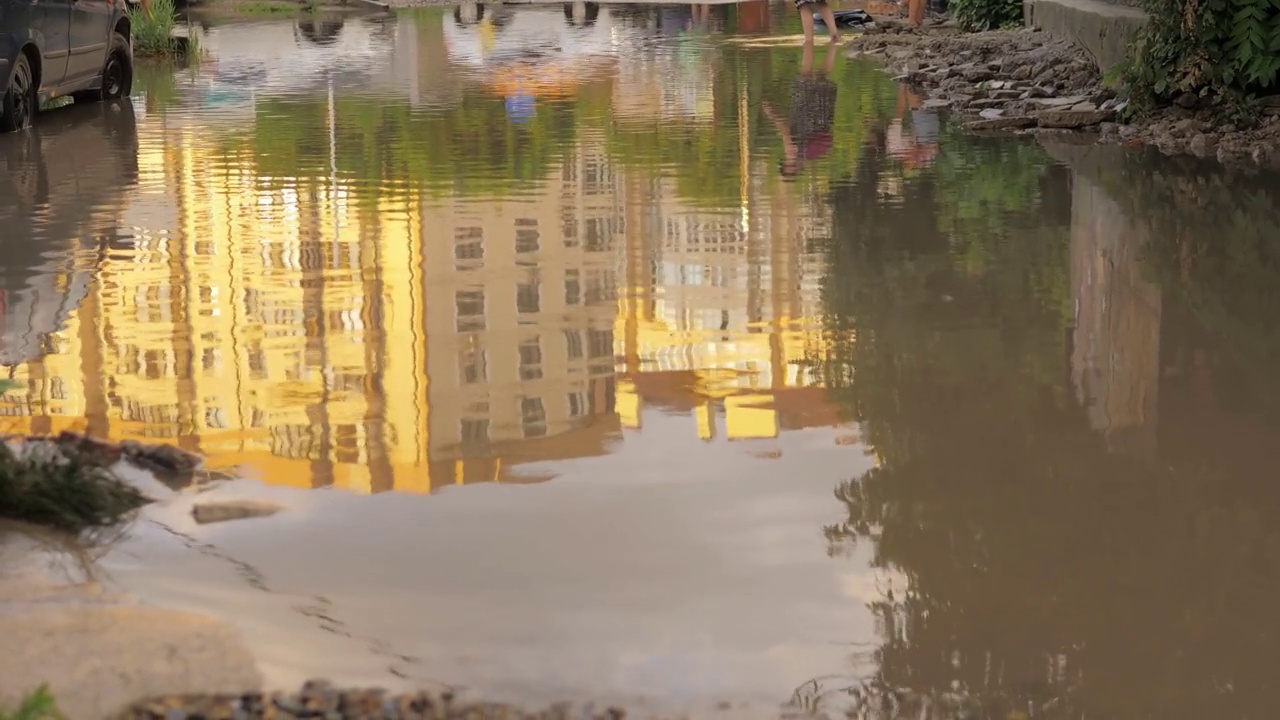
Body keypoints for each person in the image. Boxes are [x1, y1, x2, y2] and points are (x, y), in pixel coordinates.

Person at [762, 40, 838, 177]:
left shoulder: (809, 155)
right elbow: (785, 130)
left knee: (822, 76)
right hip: (807, 110)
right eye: (789, 164)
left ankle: (833, 46)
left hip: (821, 115)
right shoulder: (795, 152)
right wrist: (771, 111)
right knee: (805, 73)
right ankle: (812, 43)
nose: (789, 160)